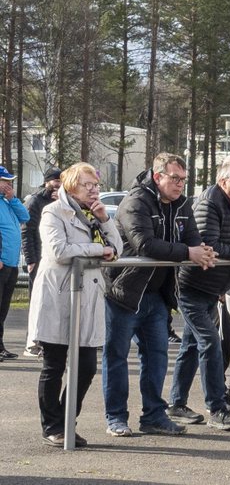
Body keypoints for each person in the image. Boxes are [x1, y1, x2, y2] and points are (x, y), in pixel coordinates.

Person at [104, 153, 216, 437]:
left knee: (156, 357)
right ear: (157, 177)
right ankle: (116, 417)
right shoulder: (135, 201)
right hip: (124, 292)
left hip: (157, 295)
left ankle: (154, 416)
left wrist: (202, 251)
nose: (180, 184)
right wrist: (188, 252)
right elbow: (144, 244)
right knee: (116, 357)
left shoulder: (183, 204)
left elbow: (193, 238)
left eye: (183, 179)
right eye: (175, 178)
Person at [169, 155, 230, 432]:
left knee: (191, 345)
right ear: (223, 181)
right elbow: (209, 244)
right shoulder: (208, 203)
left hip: (216, 286)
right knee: (210, 342)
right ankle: (217, 408)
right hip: (191, 285)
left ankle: (176, 403)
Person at [28, 163, 120, 447]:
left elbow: (118, 248)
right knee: (54, 365)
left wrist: (105, 220)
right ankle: (52, 426)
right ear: (70, 187)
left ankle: (67, 421)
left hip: (88, 296)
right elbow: (59, 251)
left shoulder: (96, 214)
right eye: (87, 185)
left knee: (86, 367)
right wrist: (99, 250)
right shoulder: (53, 212)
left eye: (96, 185)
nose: (93, 190)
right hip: (59, 295)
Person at [0, 164, 31, 360]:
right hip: (1, 262)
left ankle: (0, 345)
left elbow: (25, 216)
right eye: (5, 181)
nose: (8, 184)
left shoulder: (7, 202)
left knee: (3, 308)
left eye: (10, 181)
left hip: (11, 264)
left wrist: (13, 199)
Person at [22, 166, 62, 291]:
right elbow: (26, 231)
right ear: (46, 182)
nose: (59, 184)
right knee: (38, 293)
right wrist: (31, 260)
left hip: (57, 256)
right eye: (56, 181)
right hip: (39, 257)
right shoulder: (35, 201)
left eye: (62, 181)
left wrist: (62, 202)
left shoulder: (64, 200)